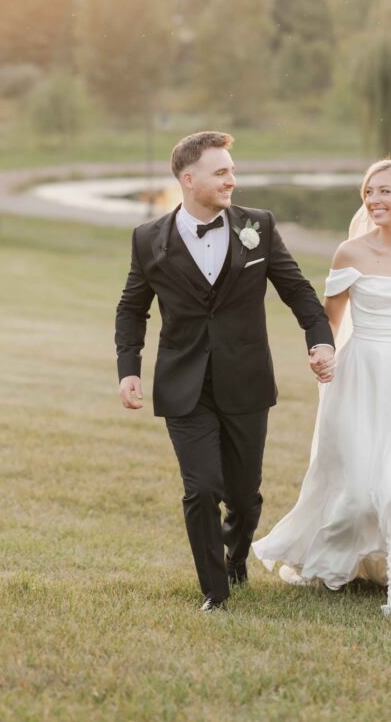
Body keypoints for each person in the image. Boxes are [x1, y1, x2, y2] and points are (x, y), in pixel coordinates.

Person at [114, 131, 335, 612]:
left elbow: (298, 291)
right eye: (221, 172)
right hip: (183, 385)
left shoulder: (259, 226)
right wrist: (128, 368)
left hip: (246, 379)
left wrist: (319, 339)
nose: (232, 179)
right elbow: (132, 309)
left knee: (242, 495)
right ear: (188, 179)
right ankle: (214, 592)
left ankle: (236, 560)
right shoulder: (148, 239)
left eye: (232, 170)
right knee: (201, 489)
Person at [252, 158, 391, 616]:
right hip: (359, 374)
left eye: (384, 192)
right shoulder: (350, 253)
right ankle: (335, 561)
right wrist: (321, 352)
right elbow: (329, 323)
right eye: (368, 192)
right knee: (354, 484)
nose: (373, 200)